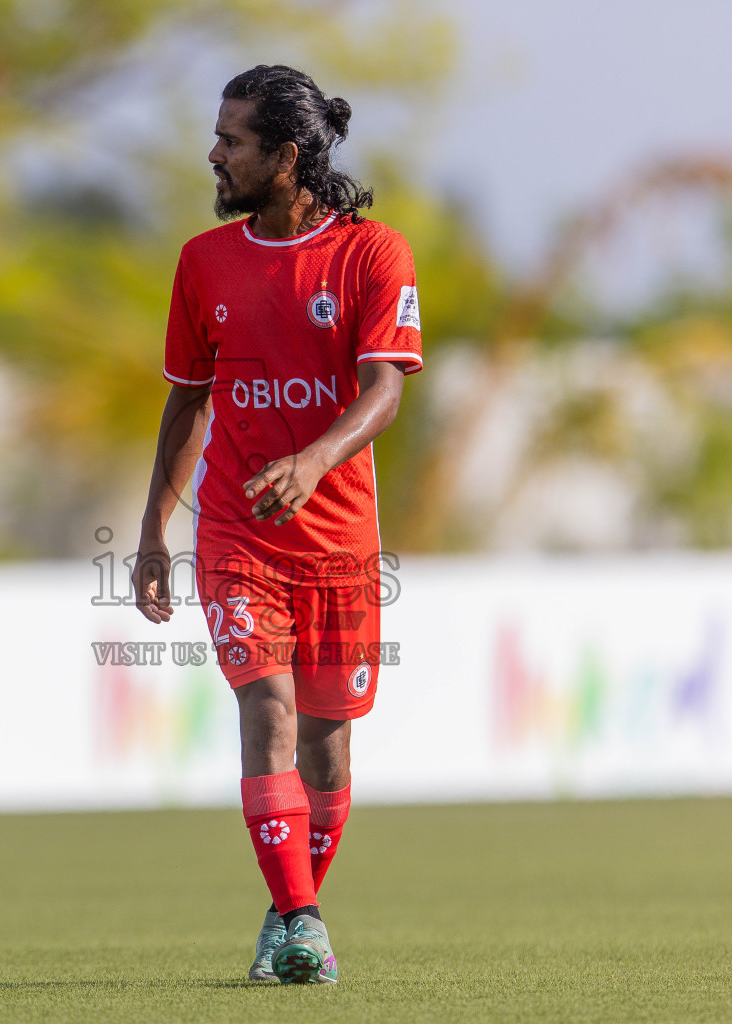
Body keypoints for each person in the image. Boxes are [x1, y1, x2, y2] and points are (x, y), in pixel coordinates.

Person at [132, 64, 421, 985]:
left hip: (340, 542)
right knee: (269, 707)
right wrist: (152, 534)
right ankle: (301, 920)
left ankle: (290, 905)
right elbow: (187, 408)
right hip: (236, 535)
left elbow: (384, 391)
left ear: (287, 157)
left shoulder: (374, 256)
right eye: (217, 136)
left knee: (328, 743)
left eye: (233, 141)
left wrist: (313, 460)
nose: (213, 154)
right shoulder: (203, 262)